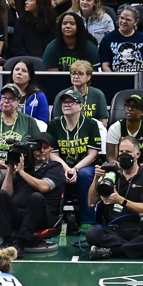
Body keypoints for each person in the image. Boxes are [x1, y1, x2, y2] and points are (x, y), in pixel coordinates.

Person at [85, 137, 143, 259]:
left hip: (138, 229)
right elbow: (91, 203)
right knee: (92, 234)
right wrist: (96, 179)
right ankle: (142, 250)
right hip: (114, 229)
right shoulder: (111, 175)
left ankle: (111, 251)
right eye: (121, 152)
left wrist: (120, 200)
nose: (124, 155)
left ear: (138, 154)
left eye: (128, 152)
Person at [0, 84, 42, 233]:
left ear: (18, 103)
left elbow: (38, 145)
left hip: (22, 168)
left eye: (10, 99)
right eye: (4, 98)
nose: (6, 101)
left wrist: (23, 163)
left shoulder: (29, 122)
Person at [48, 92, 101, 233]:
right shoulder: (53, 125)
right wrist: (67, 168)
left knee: (84, 174)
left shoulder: (91, 124)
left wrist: (76, 169)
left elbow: (93, 154)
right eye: (64, 102)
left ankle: (87, 219)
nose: (66, 105)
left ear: (81, 106)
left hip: (85, 165)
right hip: (61, 164)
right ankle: (54, 219)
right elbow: (52, 154)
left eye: (71, 102)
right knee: (55, 173)